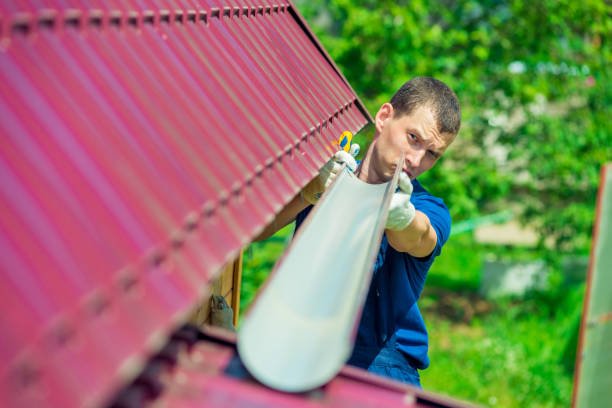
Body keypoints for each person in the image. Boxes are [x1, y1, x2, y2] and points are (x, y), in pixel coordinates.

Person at [256, 77, 461, 388]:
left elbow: (420, 238)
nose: (418, 160)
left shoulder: (427, 207)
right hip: (301, 345)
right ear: (383, 117)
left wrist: (401, 217)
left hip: (382, 367)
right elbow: (255, 229)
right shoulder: (326, 173)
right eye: (413, 138)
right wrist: (309, 192)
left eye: (433, 154)